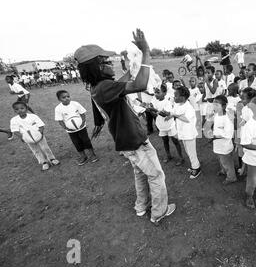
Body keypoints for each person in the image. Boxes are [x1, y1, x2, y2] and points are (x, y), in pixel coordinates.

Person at [74, 29, 176, 225]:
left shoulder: (100, 87)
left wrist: (133, 66)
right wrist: (146, 51)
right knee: (156, 175)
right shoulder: (104, 87)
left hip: (125, 141)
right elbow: (138, 84)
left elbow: (126, 80)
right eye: (105, 61)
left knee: (140, 174)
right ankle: (158, 212)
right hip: (134, 139)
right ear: (96, 67)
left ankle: (140, 206)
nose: (111, 63)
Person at [10, 101, 60, 171]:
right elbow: (15, 130)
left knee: (45, 148)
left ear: (26, 108)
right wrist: (23, 138)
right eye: (17, 109)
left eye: (22, 108)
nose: (20, 110)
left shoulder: (33, 116)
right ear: (14, 111)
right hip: (28, 139)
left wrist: (40, 134)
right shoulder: (14, 120)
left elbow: (41, 125)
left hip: (39, 136)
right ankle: (44, 162)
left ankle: (52, 159)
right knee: (36, 150)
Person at [55, 90, 98, 166]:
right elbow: (60, 120)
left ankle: (92, 154)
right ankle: (83, 156)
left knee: (86, 140)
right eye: (64, 97)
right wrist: (66, 128)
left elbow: (82, 114)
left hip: (82, 128)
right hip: (71, 131)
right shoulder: (58, 108)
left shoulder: (75, 104)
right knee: (77, 142)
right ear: (59, 99)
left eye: (68, 96)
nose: (67, 98)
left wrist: (83, 122)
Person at [168, 86, 201, 179]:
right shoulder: (178, 105)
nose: (174, 97)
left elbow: (186, 119)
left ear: (182, 97)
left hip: (189, 134)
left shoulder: (189, 107)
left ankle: (196, 168)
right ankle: (194, 165)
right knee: (187, 150)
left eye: (176, 96)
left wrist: (175, 115)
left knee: (191, 152)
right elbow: (172, 112)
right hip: (183, 133)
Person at [209, 95, 237, 185]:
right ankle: (223, 170)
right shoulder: (217, 115)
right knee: (221, 159)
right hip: (218, 144)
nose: (214, 107)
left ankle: (231, 177)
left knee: (227, 162)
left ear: (224, 106)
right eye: (214, 105)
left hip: (225, 145)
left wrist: (216, 136)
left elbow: (228, 134)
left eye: (217, 105)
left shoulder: (227, 118)